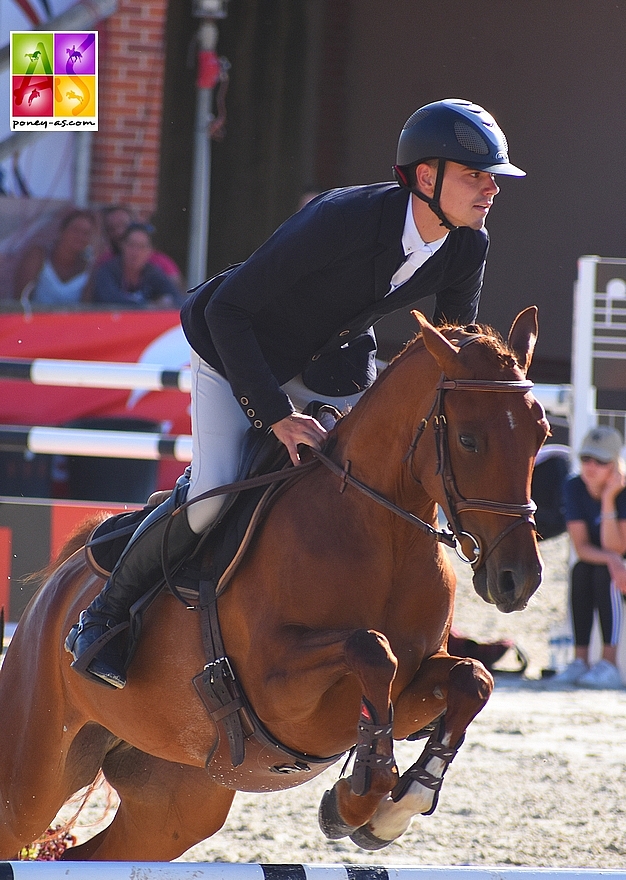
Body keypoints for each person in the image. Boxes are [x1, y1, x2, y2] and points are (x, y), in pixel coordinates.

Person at [65, 97, 526, 689]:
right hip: (240, 351)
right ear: (426, 178)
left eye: (493, 178)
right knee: (211, 497)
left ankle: (422, 628)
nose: (490, 190)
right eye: (476, 176)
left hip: (333, 364)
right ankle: (103, 619)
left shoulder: (469, 244)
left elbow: (452, 350)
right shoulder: (340, 219)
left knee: (391, 478)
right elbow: (229, 311)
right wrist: (277, 415)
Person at [550, 426, 626, 688]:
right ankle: (580, 661)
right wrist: (612, 559)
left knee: (606, 574)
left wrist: (608, 500)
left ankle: (610, 663)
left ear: (615, 464)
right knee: (581, 570)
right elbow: (582, 547)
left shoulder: (622, 492)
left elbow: (616, 546)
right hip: (611, 565)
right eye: (586, 458)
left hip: (619, 572)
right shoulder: (574, 486)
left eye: (601, 461)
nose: (591, 466)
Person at [14, 209, 97, 306]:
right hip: (36, 319)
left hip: (71, 321)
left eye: (86, 233)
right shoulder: (38, 255)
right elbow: (20, 300)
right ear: (62, 230)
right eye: (75, 230)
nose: (80, 236)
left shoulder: (89, 267)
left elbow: (86, 309)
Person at [92, 222, 184, 308]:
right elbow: (109, 299)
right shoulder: (107, 271)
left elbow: (176, 298)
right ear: (122, 245)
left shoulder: (153, 272)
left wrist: (166, 301)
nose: (136, 252)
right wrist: (148, 306)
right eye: (131, 245)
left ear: (150, 251)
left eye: (142, 247)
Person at [97, 205, 184, 289]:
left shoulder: (160, 262)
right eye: (111, 228)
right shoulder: (104, 262)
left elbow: (175, 294)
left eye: (122, 225)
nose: (118, 232)